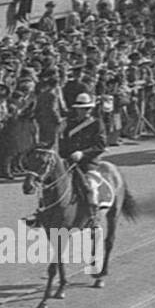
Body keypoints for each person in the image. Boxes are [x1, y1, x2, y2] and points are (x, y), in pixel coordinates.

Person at [59, 91, 107, 235]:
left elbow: (100, 145)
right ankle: (41, 213)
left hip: (87, 162)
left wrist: (83, 154)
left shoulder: (96, 123)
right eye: (80, 108)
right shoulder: (69, 123)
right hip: (69, 161)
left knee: (91, 187)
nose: (82, 111)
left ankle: (93, 218)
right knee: (51, 182)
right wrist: (64, 154)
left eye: (86, 109)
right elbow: (63, 142)